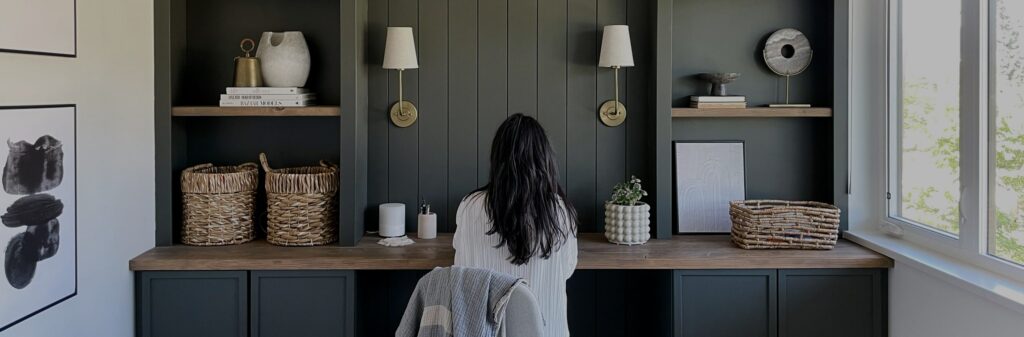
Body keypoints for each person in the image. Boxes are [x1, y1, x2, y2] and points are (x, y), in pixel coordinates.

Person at [454, 113, 578, 337]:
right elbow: (567, 270)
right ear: (544, 158)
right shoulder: (559, 211)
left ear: (497, 157)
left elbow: (462, 267)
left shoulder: (470, 206)